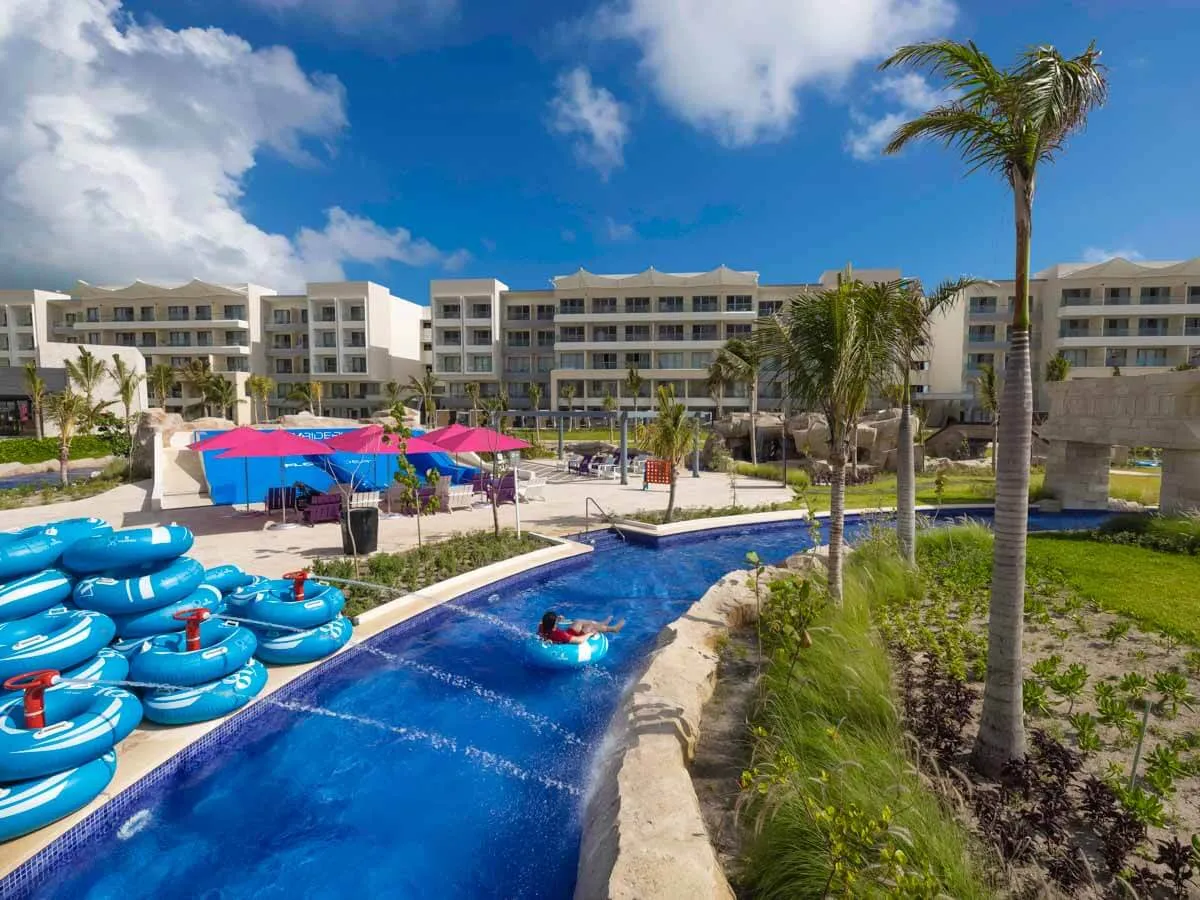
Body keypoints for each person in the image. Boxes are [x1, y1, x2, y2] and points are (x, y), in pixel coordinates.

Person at [537, 610, 624, 644]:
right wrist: (590, 634)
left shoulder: (542, 626)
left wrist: (557, 620)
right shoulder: (560, 634)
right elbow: (579, 640)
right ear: (553, 626)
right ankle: (613, 629)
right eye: (556, 622)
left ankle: (602, 624)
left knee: (578, 621)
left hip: (564, 635)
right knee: (590, 627)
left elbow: (543, 625)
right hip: (569, 641)